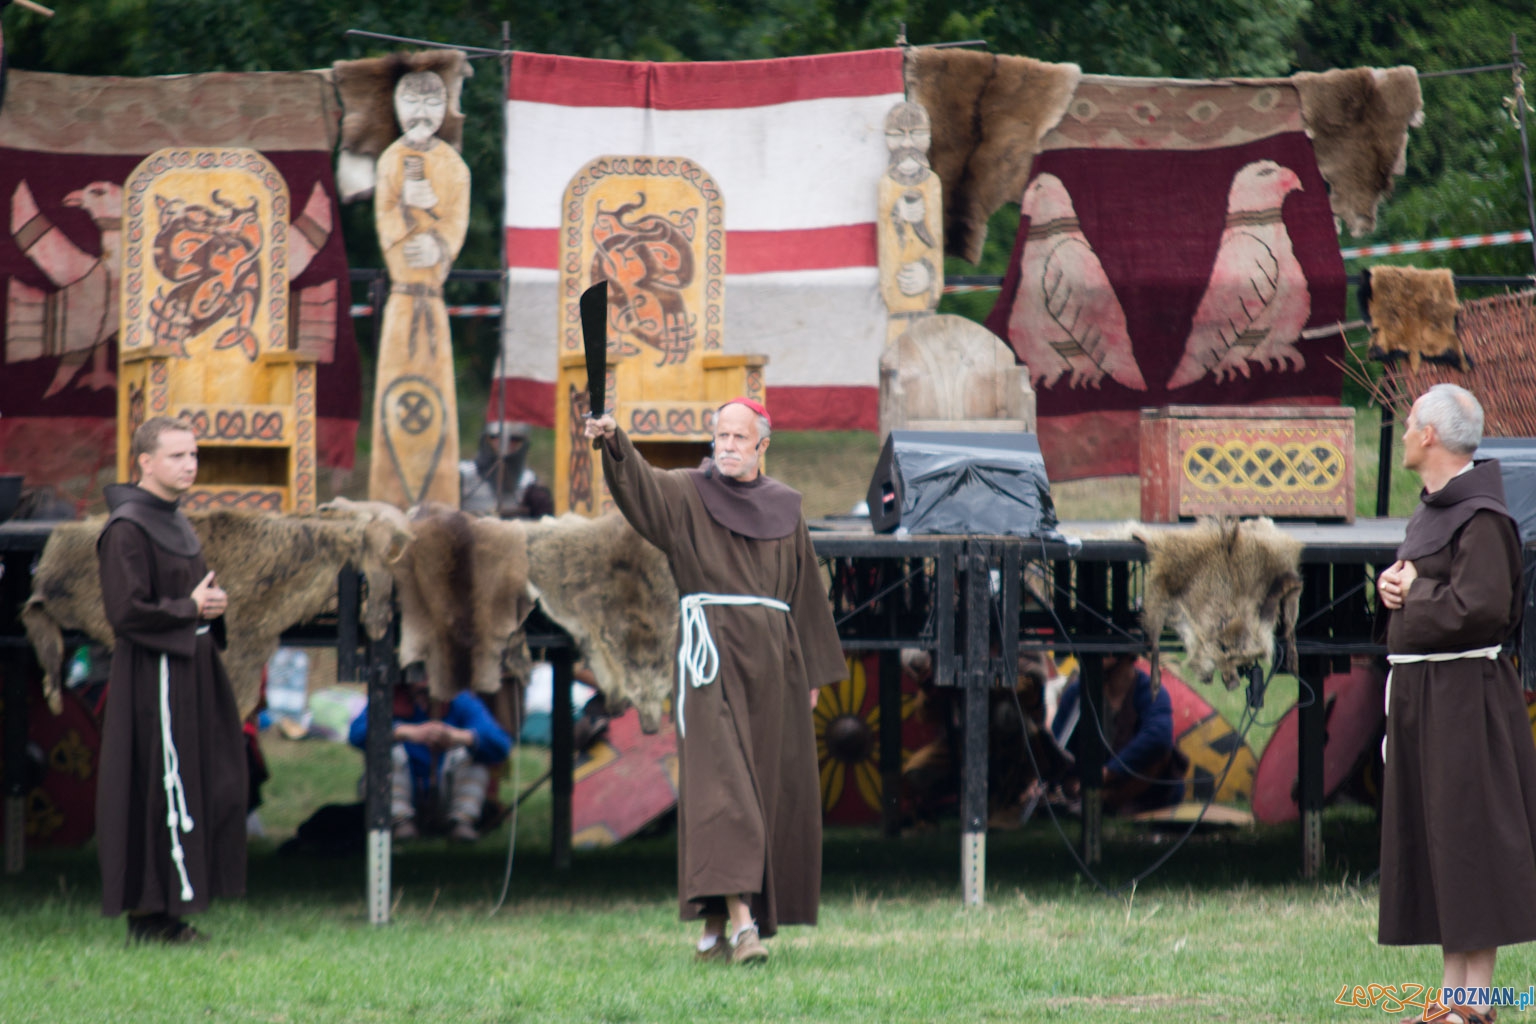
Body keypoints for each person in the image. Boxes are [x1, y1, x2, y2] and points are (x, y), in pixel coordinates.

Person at [584, 398, 846, 965]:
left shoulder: (787, 508)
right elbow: (640, 489)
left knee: (762, 792)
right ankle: (744, 927)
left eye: (737, 437)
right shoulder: (686, 493)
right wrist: (614, 442)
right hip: (710, 660)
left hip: (774, 664)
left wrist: (814, 672)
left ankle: (710, 934)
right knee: (724, 789)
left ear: (762, 446)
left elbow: (804, 591)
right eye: (720, 436)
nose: (726, 445)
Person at [1376, 384, 1536, 1024]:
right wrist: (1392, 588)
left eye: (1410, 421)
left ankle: (1475, 1001)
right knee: (1441, 839)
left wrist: (1415, 591)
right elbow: (1429, 589)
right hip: (1427, 698)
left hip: (1467, 701)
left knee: (1472, 840)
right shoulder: (1433, 510)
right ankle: (1452, 995)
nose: (1405, 429)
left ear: (1429, 437)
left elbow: (1483, 609)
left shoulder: (1484, 519)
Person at [96, 416, 247, 944]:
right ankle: (151, 915)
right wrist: (190, 607)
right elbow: (126, 612)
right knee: (163, 785)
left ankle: (174, 902)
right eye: (179, 456)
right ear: (145, 462)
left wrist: (211, 606)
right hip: (155, 675)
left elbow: (187, 594)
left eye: (194, 455)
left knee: (209, 778)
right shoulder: (127, 528)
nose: (190, 465)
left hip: (190, 667)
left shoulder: (174, 519)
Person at [367, 68, 471, 509]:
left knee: (438, 405)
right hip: (402, 301)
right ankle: (389, 499)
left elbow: (456, 218)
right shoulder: (390, 160)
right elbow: (385, 213)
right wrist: (409, 232)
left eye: (431, 103)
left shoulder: (453, 164)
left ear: (445, 108)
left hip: (432, 302)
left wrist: (440, 247)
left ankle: (439, 501)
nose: (421, 113)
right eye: (412, 102)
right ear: (397, 106)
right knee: (392, 398)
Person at [348, 682, 512, 843]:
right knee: (388, 755)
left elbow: (500, 744)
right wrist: (403, 732)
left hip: (446, 797)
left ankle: (461, 821)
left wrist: (457, 737)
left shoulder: (460, 700)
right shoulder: (391, 698)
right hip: (404, 795)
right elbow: (357, 732)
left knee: (473, 756)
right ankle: (400, 822)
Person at [1046, 654, 1185, 815]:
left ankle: (1108, 801)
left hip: (1132, 785)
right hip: (1085, 781)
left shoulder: (1148, 690)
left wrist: (1108, 772)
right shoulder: (1077, 692)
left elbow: (1159, 736)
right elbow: (1058, 743)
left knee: (1161, 756)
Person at [459, 419, 555, 519]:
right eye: (496, 437)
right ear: (486, 439)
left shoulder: (530, 483)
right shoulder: (463, 475)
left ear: (523, 443)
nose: (505, 443)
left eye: (514, 439)